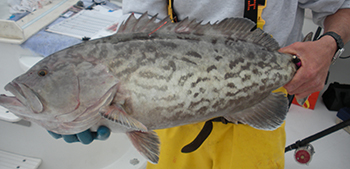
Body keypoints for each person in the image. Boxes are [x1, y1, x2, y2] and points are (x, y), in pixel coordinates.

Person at [51, 0, 350, 168]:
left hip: (255, 117)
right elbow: (134, 44)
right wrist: (77, 112)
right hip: (173, 125)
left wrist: (329, 46)